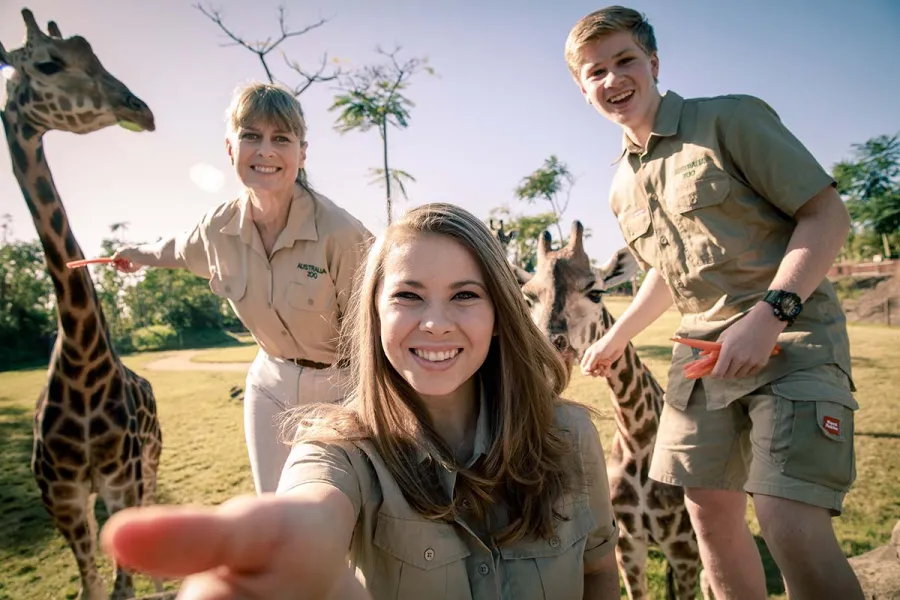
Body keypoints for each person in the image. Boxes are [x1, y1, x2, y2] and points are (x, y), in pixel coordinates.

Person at [100, 203, 622, 599]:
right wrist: (297, 537)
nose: (435, 322)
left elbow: (599, 571)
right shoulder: (339, 450)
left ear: (499, 316)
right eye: (407, 296)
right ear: (373, 315)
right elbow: (315, 504)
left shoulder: (570, 435)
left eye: (464, 295)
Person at [567, 6, 864, 600]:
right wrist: (617, 337)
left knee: (787, 520)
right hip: (700, 357)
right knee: (706, 515)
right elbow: (665, 271)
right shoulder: (621, 186)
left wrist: (769, 318)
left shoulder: (730, 119)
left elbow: (826, 213)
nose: (613, 79)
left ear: (653, 63)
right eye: (595, 72)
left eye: (625, 60)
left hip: (790, 341)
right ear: (583, 89)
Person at [113, 82, 373, 495]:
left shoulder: (341, 233)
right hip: (270, 381)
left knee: (332, 512)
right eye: (251, 136)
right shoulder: (217, 228)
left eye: (281, 139)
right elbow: (177, 249)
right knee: (271, 506)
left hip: (341, 388)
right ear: (230, 149)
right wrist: (135, 254)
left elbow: (376, 328)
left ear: (302, 153)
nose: (265, 151)